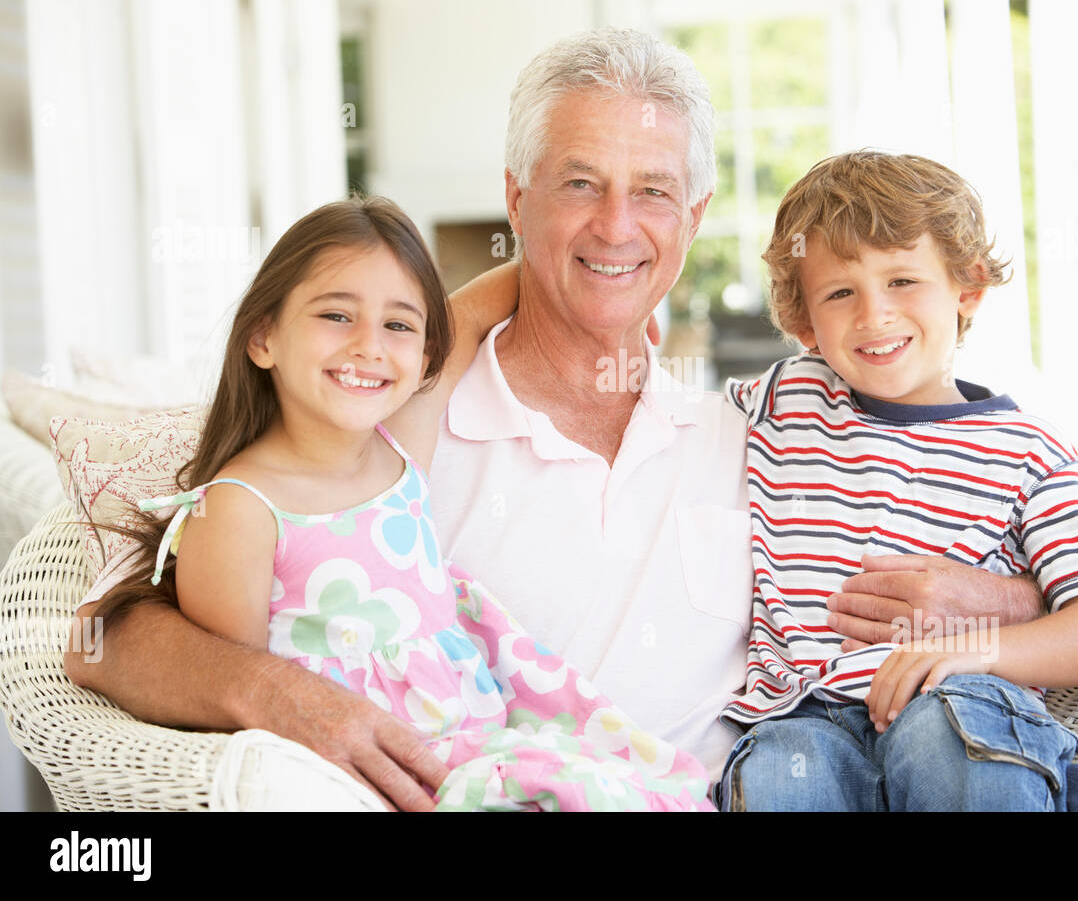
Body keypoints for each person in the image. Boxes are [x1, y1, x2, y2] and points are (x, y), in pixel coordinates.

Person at [68, 28, 1078, 811]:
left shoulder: (754, 429)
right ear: (514, 198)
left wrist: (1006, 595)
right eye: (576, 184)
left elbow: (993, 545)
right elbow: (105, 631)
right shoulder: (386, 413)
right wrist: (276, 690)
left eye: (651, 190)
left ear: (691, 218)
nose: (615, 224)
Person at [87, 195, 713, 811]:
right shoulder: (240, 508)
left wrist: (601, 306)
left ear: (421, 359)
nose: (369, 346)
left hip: (481, 739)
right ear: (262, 338)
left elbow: (468, 316)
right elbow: (231, 699)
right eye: (336, 315)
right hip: (378, 775)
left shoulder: (397, 445)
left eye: (398, 325)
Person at [713, 149, 1078, 811]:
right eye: (841, 292)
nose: (874, 316)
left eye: (903, 281)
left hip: (957, 699)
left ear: (968, 287)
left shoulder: (1028, 450)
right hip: (804, 715)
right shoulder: (786, 397)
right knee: (780, 771)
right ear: (804, 324)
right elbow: (640, 414)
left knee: (954, 738)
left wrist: (975, 652)